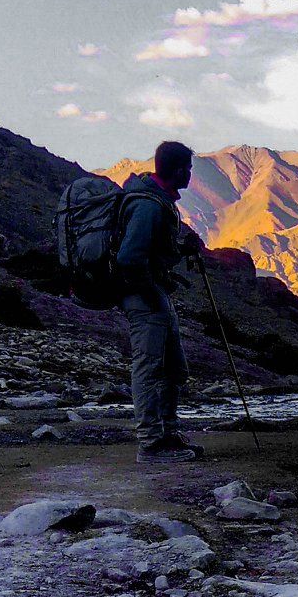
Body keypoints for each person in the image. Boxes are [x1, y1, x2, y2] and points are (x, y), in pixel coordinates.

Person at [115, 140, 203, 464]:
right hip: (145, 298)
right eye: (189, 169)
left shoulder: (157, 201)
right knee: (150, 367)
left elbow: (152, 254)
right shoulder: (149, 205)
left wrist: (182, 249)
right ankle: (151, 444)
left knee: (173, 367)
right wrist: (150, 292)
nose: (191, 175)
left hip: (153, 294)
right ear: (178, 169)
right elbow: (129, 258)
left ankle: (168, 435)